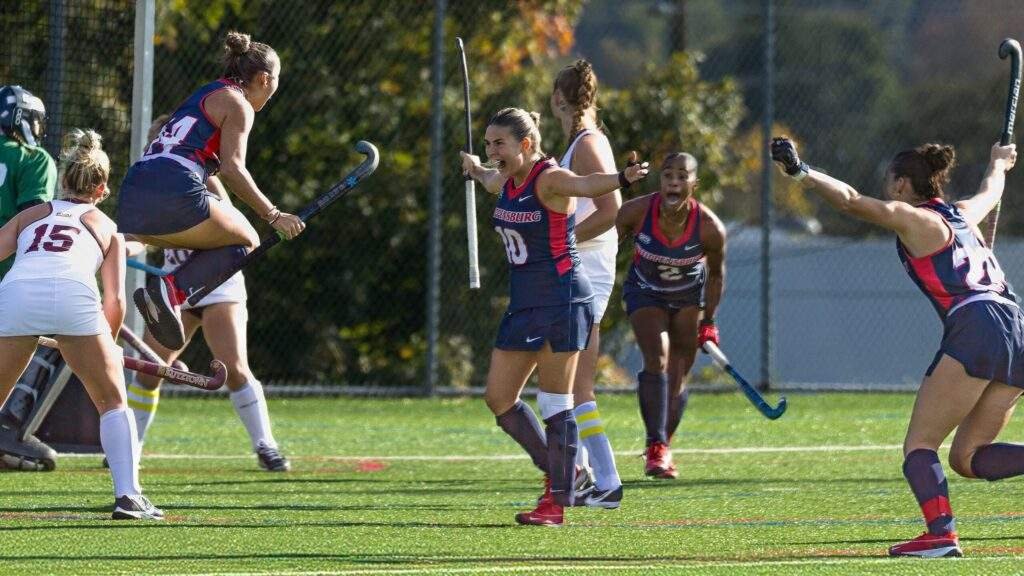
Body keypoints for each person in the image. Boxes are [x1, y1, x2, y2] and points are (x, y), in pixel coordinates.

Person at [771, 136, 1019, 558]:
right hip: (1016, 327)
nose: (889, 190)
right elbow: (991, 190)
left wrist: (800, 171)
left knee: (919, 445)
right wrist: (999, 162)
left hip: (977, 324)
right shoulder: (962, 214)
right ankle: (940, 534)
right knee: (967, 457)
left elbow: (850, 201)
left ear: (903, 185)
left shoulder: (913, 219)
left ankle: (941, 535)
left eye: (891, 183)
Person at [460, 107, 648, 526]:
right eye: (488, 143)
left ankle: (556, 500)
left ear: (525, 145)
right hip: (526, 303)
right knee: (499, 398)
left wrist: (621, 179)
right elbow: (491, 181)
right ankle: (570, 472)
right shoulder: (507, 177)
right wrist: (474, 169)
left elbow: (586, 184)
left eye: (499, 144)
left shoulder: (549, 178)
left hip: (562, 299)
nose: (492, 151)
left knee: (554, 401)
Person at [0, 129, 162, 519]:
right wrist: (107, 343)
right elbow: (115, 300)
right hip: (75, 300)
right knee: (112, 402)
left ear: (63, 180)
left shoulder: (31, 216)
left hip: (17, 294)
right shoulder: (107, 227)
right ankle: (129, 497)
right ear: (102, 188)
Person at [122, 114, 290, 473]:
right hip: (176, 290)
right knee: (150, 370)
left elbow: (224, 228)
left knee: (233, 369)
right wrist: (121, 248)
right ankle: (128, 447)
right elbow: (138, 240)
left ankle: (266, 446)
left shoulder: (205, 179)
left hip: (218, 286)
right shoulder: (153, 185)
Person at [117, 31, 305, 352]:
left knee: (220, 242)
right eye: (272, 89)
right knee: (247, 242)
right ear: (263, 78)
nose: (270, 97)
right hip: (174, 185)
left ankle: (169, 293)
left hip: (132, 192)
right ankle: (171, 291)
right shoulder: (239, 104)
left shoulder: (204, 92)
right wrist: (273, 215)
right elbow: (233, 168)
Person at [615, 152, 726, 479]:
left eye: (682, 176)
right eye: (667, 175)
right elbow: (606, 245)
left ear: (694, 183)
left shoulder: (709, 228)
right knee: (657, 359)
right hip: (644, 292)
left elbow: (717, 275)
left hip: (688, 300)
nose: (674, 182)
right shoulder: (635, 212)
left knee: (677, 377)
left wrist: (709, 322)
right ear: (660, 181)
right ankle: (656, 446)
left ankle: (663, 443)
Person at [549, 59, 623, 507]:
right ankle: (584, 475)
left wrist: (564, 242)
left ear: (560, 99)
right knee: (562, 380)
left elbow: (611, 211)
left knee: (577, 386)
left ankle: (607, 481)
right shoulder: (577, 143)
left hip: (588, 270)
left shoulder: (588, 144)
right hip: (577, 267)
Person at [0, 85, 58, 467]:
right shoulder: (34, 158)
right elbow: (33, 222)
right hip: (10, 275)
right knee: (61, 333)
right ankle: (9, 429)